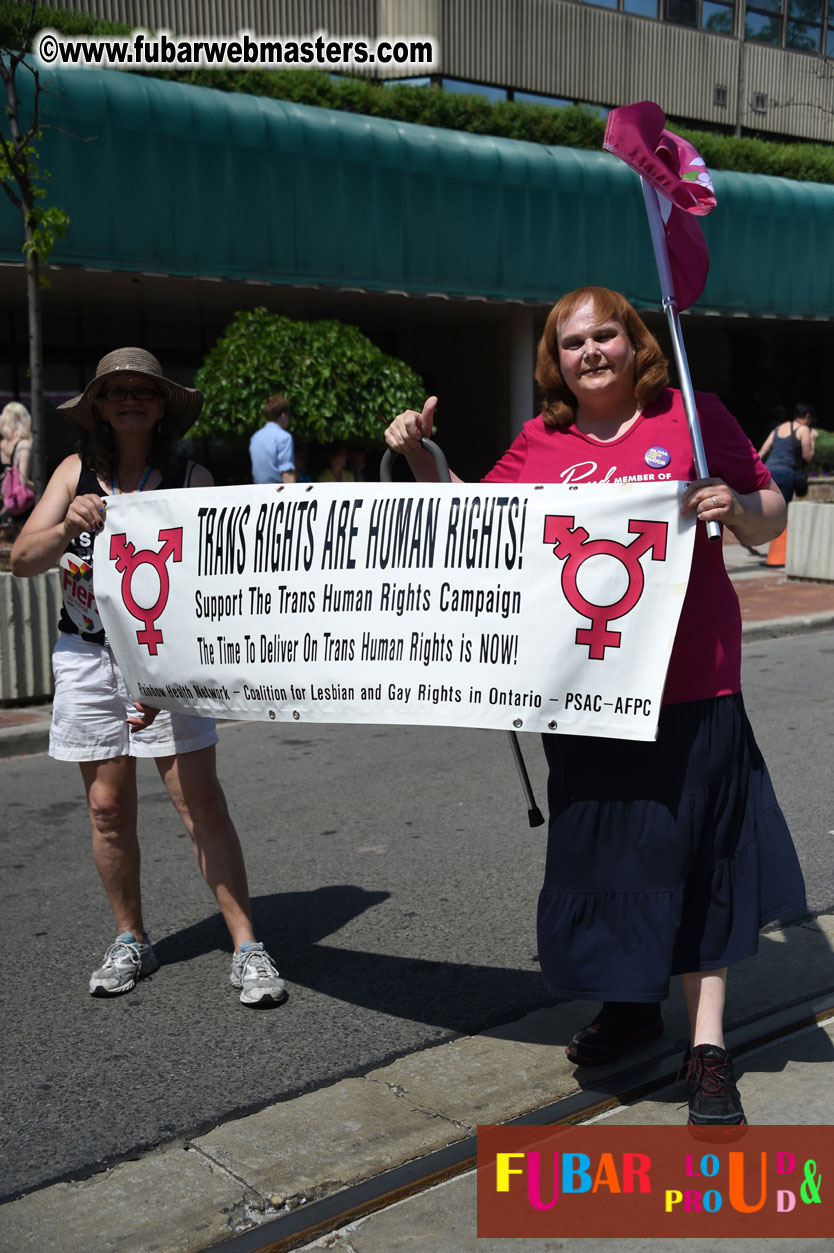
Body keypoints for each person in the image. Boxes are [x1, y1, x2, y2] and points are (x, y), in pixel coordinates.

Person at [385, 287, 806, 1127]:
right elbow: (474, 520)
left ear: (633, 341)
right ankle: (630, 1004)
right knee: (611, 864)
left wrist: (735, 503)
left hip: (694, 683)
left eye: (604, 334)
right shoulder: (542, 440)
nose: (590, 352)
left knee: (700, 863)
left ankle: (709, 1046)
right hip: (586, 696)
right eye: (572, 342)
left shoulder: (691, 411)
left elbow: (770, 514)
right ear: (557, 361)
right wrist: (421, 454)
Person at [10, 348, 286, 1007]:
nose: (130, 399)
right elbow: (23, 558)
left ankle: (247, 945)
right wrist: (67, 522)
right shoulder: (74, 473)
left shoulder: (191, 477)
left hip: (167, 660)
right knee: (107, 807)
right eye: (116, 391)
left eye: (143, 390)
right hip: (86, 658)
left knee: (200, 803)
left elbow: (230, 566)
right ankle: (131, 937)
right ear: (99, 407)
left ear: (161, 405)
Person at [757, 402, 814, 503]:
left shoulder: (778, 428)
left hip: (768, 472)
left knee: (767, 508)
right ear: (807, 416)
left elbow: (762, 451)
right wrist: (813, 439)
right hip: (786, 474)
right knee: (781, 510)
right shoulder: (803, 430)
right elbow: (807, 457)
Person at [0, 400, 35, 529]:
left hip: (5, 500)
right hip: (21, 505)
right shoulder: (24, 445)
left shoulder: (2, 444)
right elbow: (24, 480)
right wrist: (41, 489)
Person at [249, 394, 297, 484]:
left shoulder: (255, 437)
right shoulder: (284, 437)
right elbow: (287, 473)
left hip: (258, 490)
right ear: (283, 415)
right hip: (277, 492)